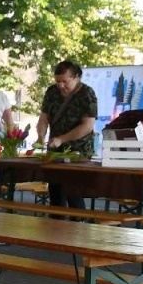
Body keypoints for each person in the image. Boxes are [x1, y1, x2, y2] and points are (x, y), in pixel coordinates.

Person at [36, 60, 100, 210]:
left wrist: (62, 139)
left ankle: (78, 226)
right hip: (55, 151)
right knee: (55, 192)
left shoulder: (87, 94)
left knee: (73, 192)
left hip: (79, 151)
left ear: (76, 77)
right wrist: (41, 136)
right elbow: (44, 118)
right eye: (58, 81)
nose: (61, 86)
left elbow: (87, 125)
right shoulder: (51, 92)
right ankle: (55, 227)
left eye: (65, 81)